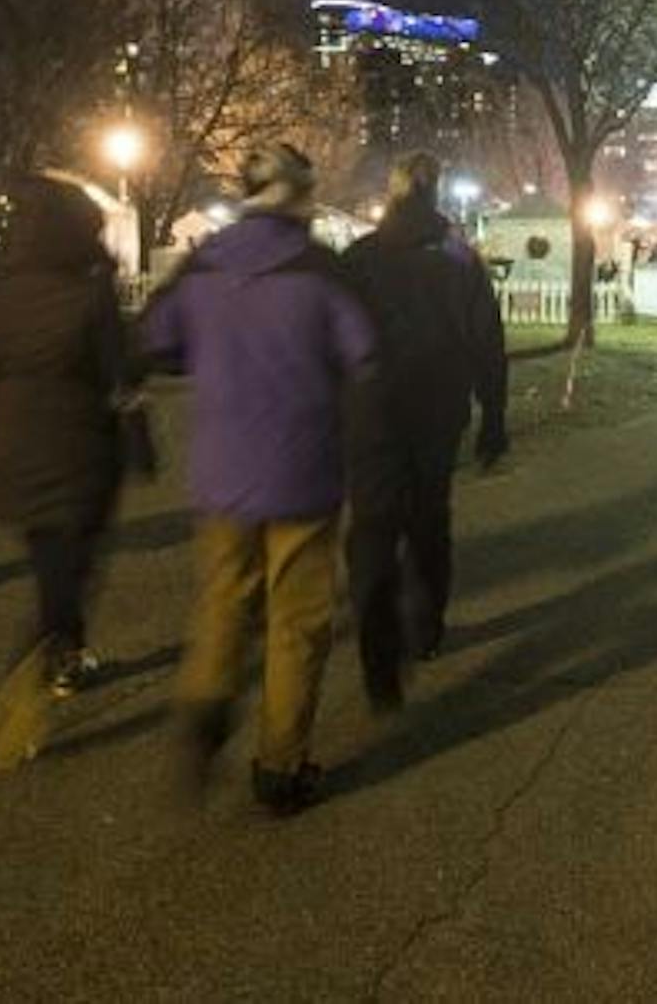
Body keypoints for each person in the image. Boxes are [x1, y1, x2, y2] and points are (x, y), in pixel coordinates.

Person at [142, 144, 378, 816]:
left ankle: (206, 710)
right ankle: (280, 767)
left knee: (223, 601)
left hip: (222, 471)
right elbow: (366, 356)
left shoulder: (205, 262)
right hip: (304, 470)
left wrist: (210, 349)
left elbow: (154, 338)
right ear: (302, 197)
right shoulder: (321, 270)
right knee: (297, 623)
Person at [0, 176, 130, 769]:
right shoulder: (90, 294)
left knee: (50, 564)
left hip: (10, 449)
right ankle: (29, 677)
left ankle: (68, 651)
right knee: (69, 575)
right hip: (78, 450)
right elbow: (120, 373)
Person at [341, 153, 508, 712]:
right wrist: (494, 417)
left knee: (371, 529)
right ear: (435, 195)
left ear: (391, 196)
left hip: (370, 413)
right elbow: (487, 341)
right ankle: (425, 627)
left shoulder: (359, 258)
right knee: (428, 520)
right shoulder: (460, 260)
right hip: (437, 411)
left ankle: (378, 653)